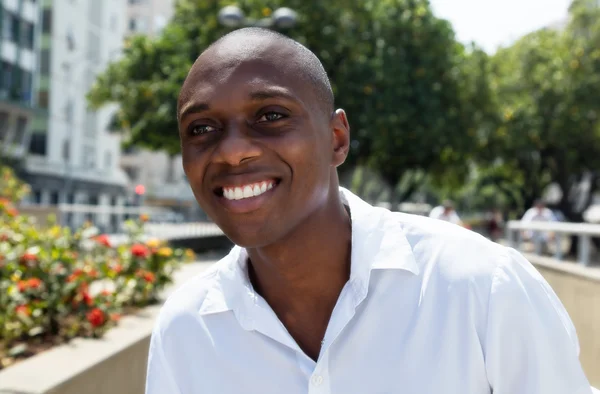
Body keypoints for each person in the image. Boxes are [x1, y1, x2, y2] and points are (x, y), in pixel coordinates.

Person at [145, 28, 592, 394]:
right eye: (201, 128)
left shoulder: (481, 288)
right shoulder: (186, 330)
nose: (233, 150)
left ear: (337, 138)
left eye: (271, 116)